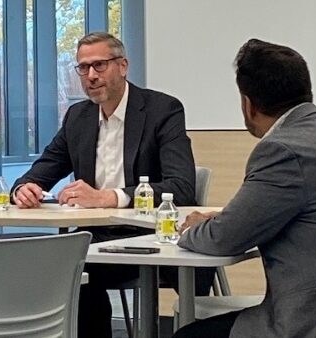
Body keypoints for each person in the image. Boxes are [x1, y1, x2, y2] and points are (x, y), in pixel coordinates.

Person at [11, 32, 215, 338]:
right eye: (83, 68)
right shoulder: (77, 117)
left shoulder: (162, 110)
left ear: (122, 66)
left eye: (100, 65)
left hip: (152, 238)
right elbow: (40, 171)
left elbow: (181, 187)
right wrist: (23, 189)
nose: (91, 75)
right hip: (95, 240)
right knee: (63, 268)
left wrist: (110, 197)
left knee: (78, 267)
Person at [174, 38, 316, 338]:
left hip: (311, 320)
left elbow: (224, 239)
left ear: (248, 103)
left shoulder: (283, 150)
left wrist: (191, 228)